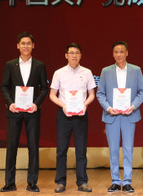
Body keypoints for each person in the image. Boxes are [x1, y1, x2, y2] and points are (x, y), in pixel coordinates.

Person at [0, 31, 49, 193]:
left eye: (28, 43)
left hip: (32, 112)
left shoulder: (39, 65)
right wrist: (10, 103)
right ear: (18, 46)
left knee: (33, 147)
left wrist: (36, 104)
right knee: (11, 147)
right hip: (14, 111)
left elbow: (44, 88)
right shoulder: (10, 65)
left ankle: (32, 182)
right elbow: (4, 87)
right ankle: (9, 183)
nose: (26, 46)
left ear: (33, 46)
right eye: (23, 43)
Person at [97, 41, 143, 193]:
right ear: (113, 54)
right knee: (113, 149)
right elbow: (100, 93)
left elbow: (142, 91)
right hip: (111, 115)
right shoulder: (106, 71)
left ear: (127, 53)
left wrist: (133, 106)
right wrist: (108, 107)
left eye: (121, 51)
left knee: (127, 149)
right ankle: (115, 181)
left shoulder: (136, 70)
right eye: (116, 52)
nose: (119, 54)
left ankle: (126, 181)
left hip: (129, 115)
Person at [49, 43, 96, 193]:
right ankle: (60, 182)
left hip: (81, 115)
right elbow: (52, 95)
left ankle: (82, 182)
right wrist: (63, 105)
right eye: (71, 53)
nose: (74, 55)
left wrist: (85, 104)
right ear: (66, 55)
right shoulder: (59, 73)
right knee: (61, 150)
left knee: (81, 150)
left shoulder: (87, 72)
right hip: (64, 115)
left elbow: (92, 95)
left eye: (77, 53)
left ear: (81, 55)